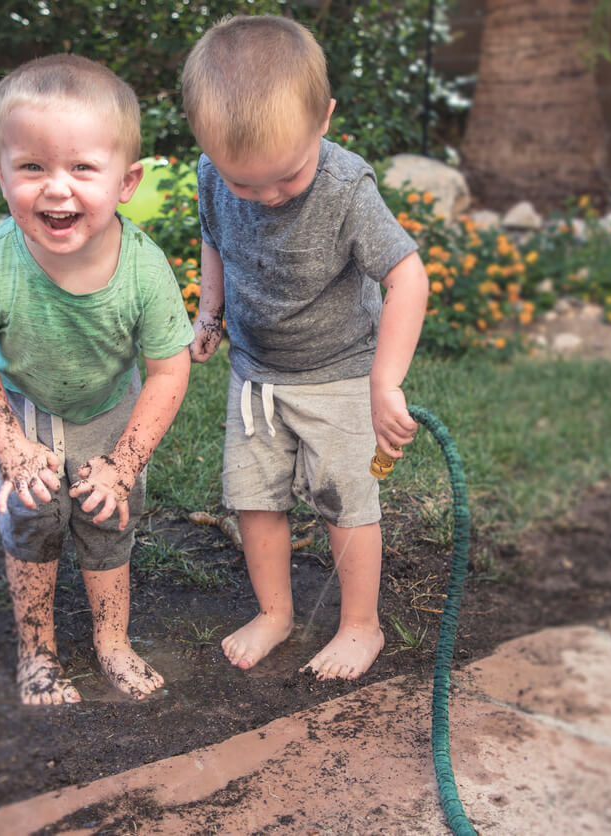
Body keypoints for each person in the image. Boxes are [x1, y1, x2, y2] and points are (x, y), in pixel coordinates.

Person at [181, 16, 430, 680]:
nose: (263, 197)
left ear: (325, 118)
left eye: (284, 180)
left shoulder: (347, 189)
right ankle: (275, 613)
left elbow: (407, 275)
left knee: (345, 501)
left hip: (340, 373)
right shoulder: (213, 173)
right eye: (244, 184)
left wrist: (386, 381)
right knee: (255, 498)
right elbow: (214, 239)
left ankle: (360, 625)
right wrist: (208, 314)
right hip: (254, 374)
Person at [0, 54, 194, 705]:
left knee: (107, 520)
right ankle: (37, 650)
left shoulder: (144, 269)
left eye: (83, 167)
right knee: (33, 518)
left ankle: (112, 643)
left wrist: (125, 461)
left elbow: (170, 368)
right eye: (32, 167)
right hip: (26, 410)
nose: (57, 189)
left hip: (111, 410)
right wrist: (10, 446)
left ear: (126, 181)